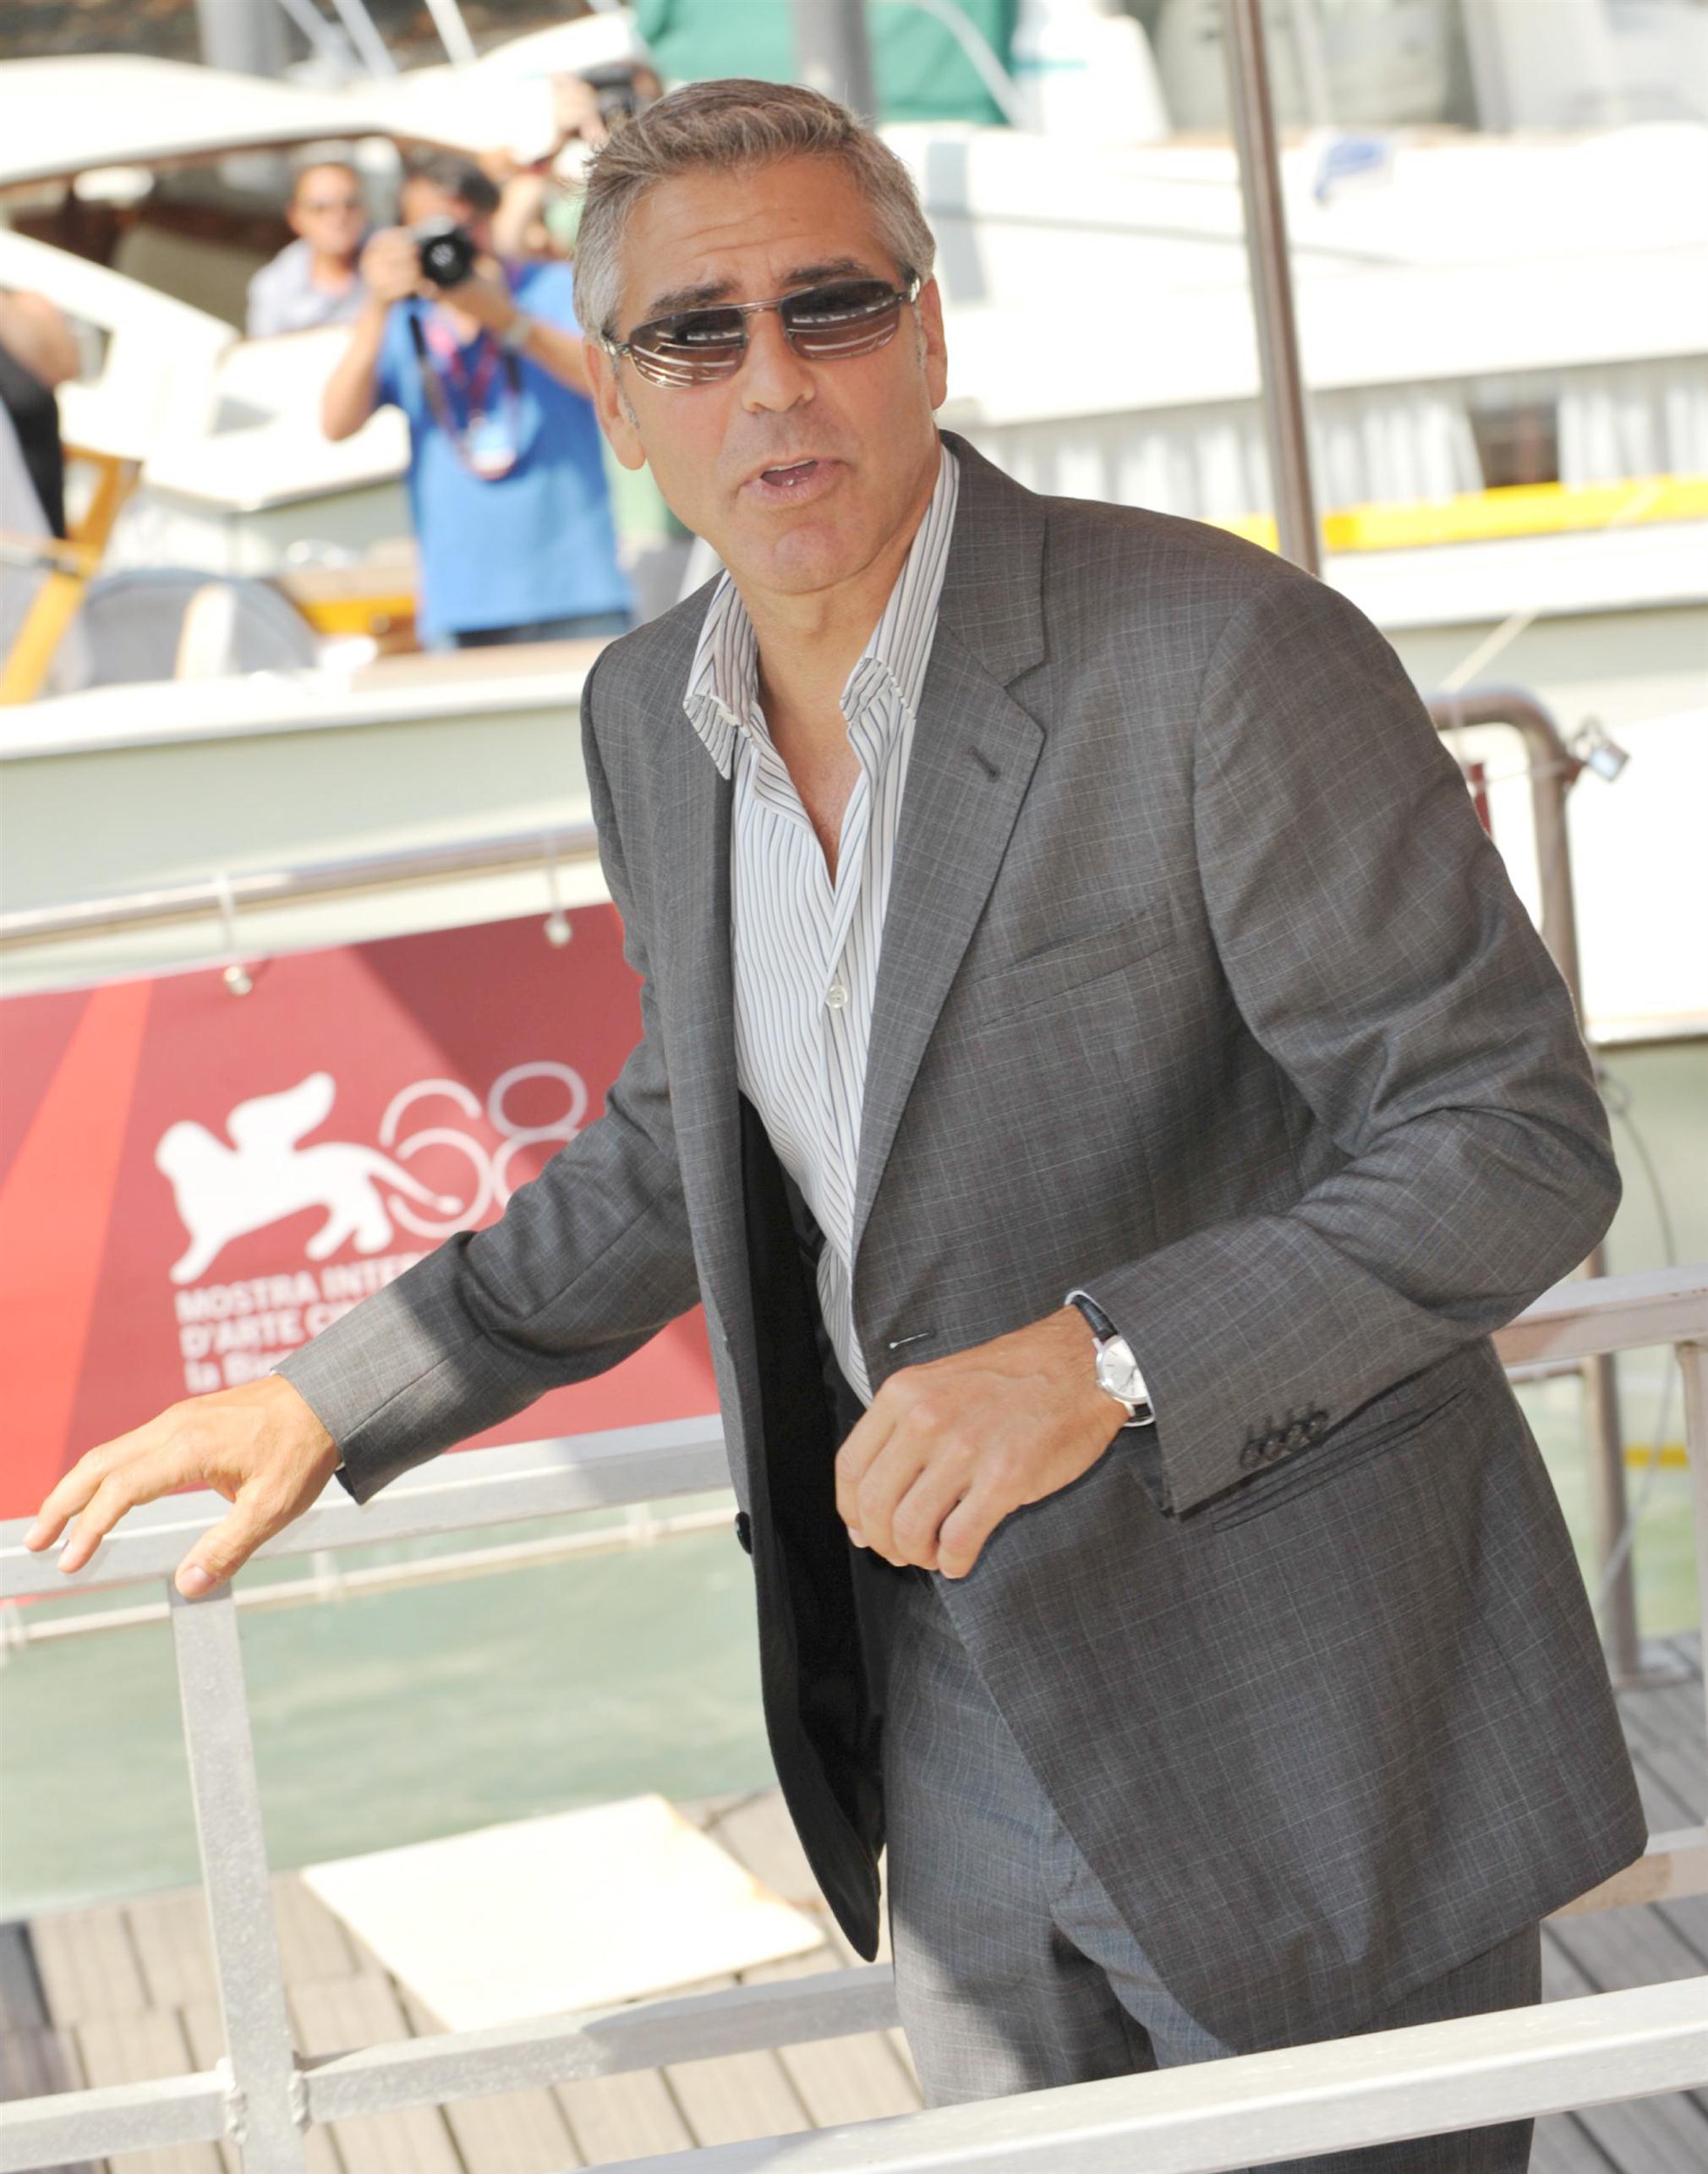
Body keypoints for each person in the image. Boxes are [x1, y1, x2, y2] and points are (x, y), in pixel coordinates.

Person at [26, 80, 1644, 2168]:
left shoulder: (1215, 654)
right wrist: (326, 1403)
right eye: (693, 335)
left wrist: (1102, 1359)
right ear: (614, 395)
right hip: (939, 1732)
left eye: (829, 309)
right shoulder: (645, 712)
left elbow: (1511, 1134)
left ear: (929, 332)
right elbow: (663, 1152)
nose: (770, 384)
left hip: (1298, 1715)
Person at [319, 151, 631, 649]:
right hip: (460, 603)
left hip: (576, 591)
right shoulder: (405, 318)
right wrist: (376, 302)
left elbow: (610, 385)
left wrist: (504, 318)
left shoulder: (550, 288)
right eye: (433, 230)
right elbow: (336, 423)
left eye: (465, 227)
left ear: (490, 221)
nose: (453, 246)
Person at [245, 159, 370, 338]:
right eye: (321, 208)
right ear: (295, 217)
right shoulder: (274, 287)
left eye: (349, 204)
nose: (339, 217)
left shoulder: (387, 257)